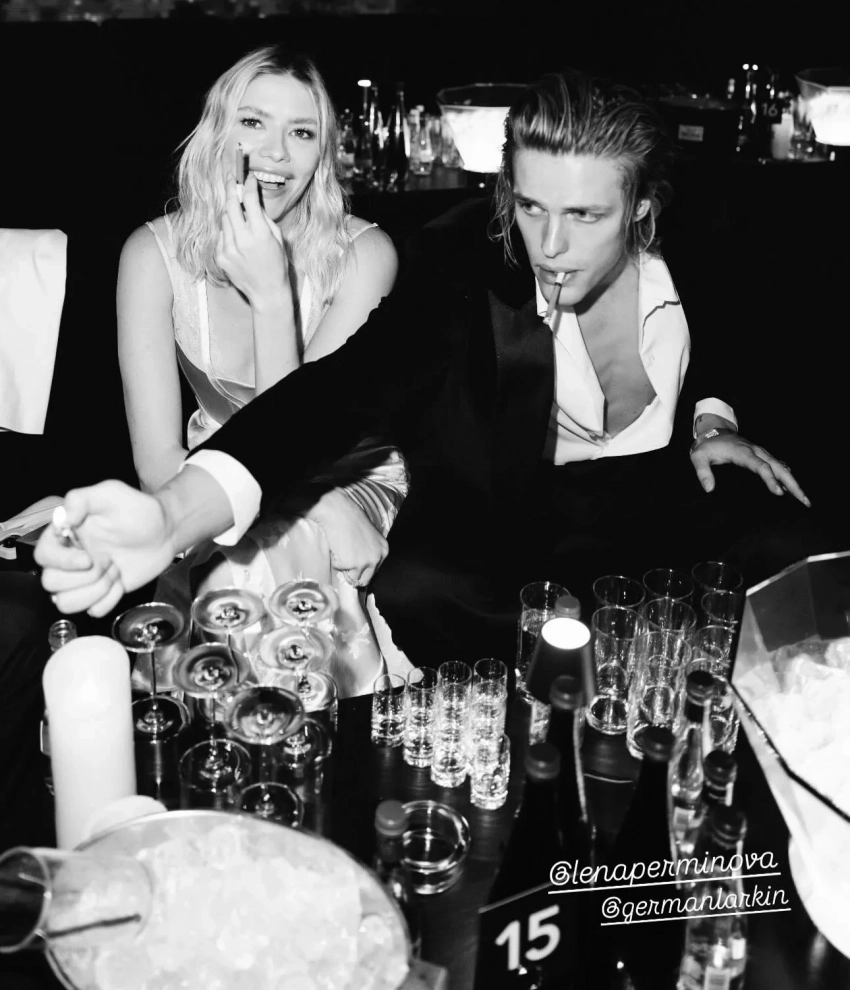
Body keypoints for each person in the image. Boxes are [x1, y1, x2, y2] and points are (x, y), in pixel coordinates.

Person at [37, 70, 832, 665]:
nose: (550, 245)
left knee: (799, 546)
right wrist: (172, 516)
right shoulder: (458, 268)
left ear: (642, 212)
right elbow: (335, 394)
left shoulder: (701, 240)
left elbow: (734, 330)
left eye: (585, 215)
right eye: (531, 207)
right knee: (422, 590)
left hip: (661, 496)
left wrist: (714, 422)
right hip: (529, 520)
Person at [115, 45, 411, 692]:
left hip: (344, 468)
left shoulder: (365, 256)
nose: (275, 154)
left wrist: (273, 295)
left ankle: (273, 721)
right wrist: (319, 511)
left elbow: (301, 438)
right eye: (253, 123)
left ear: (323, 153)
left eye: (301, 132)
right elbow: (157, 463)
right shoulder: (151, 254)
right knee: (253, 546)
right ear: (217, 132)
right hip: (214, 461)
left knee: (261, 554)